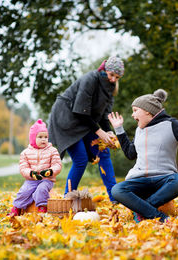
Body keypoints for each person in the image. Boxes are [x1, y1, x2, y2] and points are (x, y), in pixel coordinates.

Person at [108, 88, 178, 222]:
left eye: (135, 110)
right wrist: (119, 129)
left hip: (164, 180)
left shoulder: (171, 125)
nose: (132, 115)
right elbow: (130, 154)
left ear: (147, 110)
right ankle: (160, 217)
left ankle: (142, 211)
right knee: (117, 190)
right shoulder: (139, 130)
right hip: (139, 181)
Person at [48, 56, 124, 201]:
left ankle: (115, 197)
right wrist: (99, 131)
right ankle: (68, 198)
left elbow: (103, 115)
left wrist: (108, 131)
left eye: (117, 77)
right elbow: (80, 111)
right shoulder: (91, 79)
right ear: (105, 70)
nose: (114, 79)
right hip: (67, 119)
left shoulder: (110, 88)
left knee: (103, 152)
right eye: (112, 75)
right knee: (81, 158)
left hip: (85, 121)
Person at [9, 119, 62, 216]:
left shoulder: (52, 150)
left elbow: (57, 164)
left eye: (46, 137)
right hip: (31, 180)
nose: (43, 139)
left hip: (46, 179)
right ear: (33, 138)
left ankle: (42, 207)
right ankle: (17, 208)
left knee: (41, 189)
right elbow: (23, 168)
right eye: (40, 137)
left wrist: (50, 171)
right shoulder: (25, 153)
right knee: (24, 191)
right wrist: (31, 173)